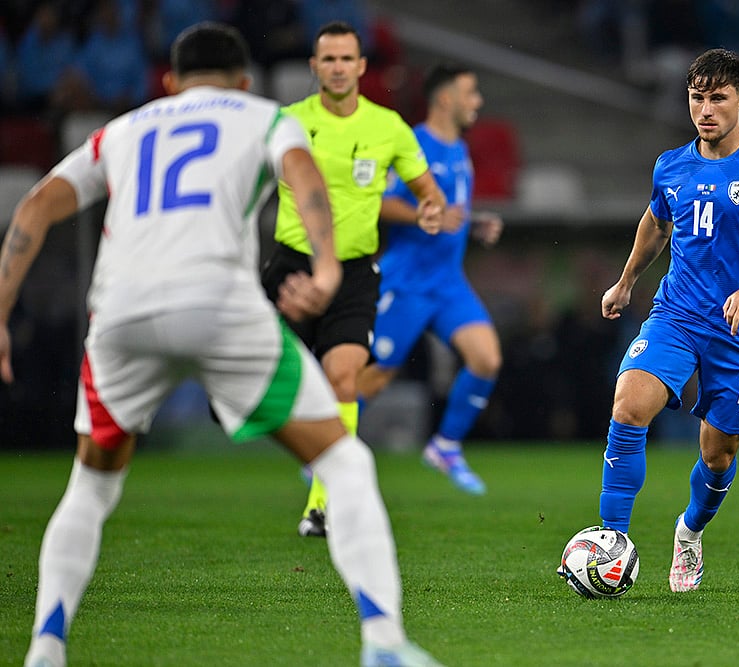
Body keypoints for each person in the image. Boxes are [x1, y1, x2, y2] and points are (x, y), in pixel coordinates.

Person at [2, 23, 442, 667]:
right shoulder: (266, 116)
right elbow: (306, 179)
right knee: (345, 465)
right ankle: (382, 643)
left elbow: (36, 207)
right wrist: (323, 270)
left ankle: (45, 647)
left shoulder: (122, 130)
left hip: (120, 314)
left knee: (90, 487)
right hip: (218, 307)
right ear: (242, 81)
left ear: (171, 82)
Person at [584, 48, 739, 594]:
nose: (705, 109)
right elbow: (656, 223)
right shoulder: (671, 165)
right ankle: (611, 542)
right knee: (629, 404)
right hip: (676, 314)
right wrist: (626, 283)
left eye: (717, 98)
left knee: (719, 453)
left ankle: (689, 531)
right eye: (697, 97)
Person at [259, 20, 445, 538]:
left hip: (356, 272)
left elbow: (426, 188)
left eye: (347, 59)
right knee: (264, 385)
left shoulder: (388, 127)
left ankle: (322, 503)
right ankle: (316, 455)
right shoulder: (287, 123)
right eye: (329, 59)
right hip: (292, 267)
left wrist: (431, 208)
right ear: (314, 66)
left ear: (361, 66)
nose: (338, 67)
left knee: (343, 378)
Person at [356, 63, 503, 495]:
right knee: (377, 376)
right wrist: (424, 215)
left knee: (486, 359)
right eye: (470, 93)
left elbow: (446, 214)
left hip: (447, 281)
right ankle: (325, 449)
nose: (477, 102)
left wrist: (472, 224)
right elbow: (379, 204)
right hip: (408, 280)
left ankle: (445, 446)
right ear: (445, 99)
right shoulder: (415, 145)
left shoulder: (459, 148)